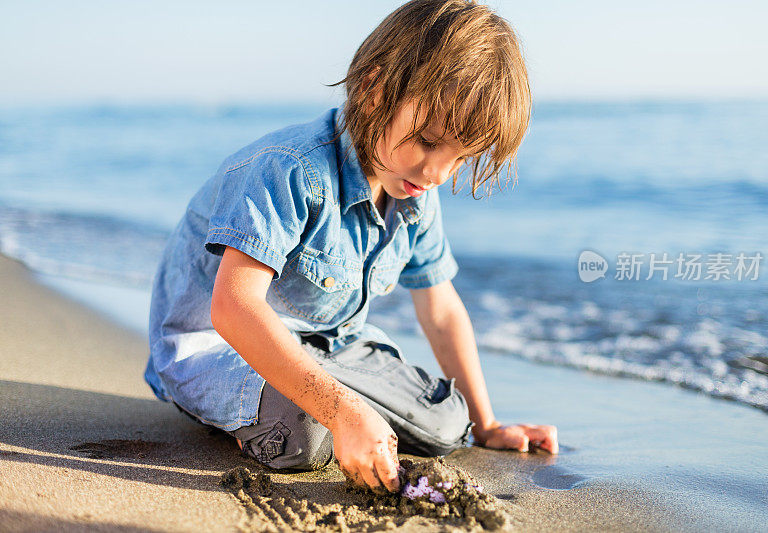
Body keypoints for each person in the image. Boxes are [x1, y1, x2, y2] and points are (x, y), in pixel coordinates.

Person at [145, 0, 558, 495]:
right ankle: (270, 413)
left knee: (449, 421)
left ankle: (324, 401)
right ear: (372, 89)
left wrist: (488, 425)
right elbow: (232, 307)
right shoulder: (292, 170)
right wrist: (341, 409)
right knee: (308, 431)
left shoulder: (414, 192)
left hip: (329, 348)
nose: (436, 174)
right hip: (220, 349)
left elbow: (441, 309)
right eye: (427, 141)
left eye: (460, 157)